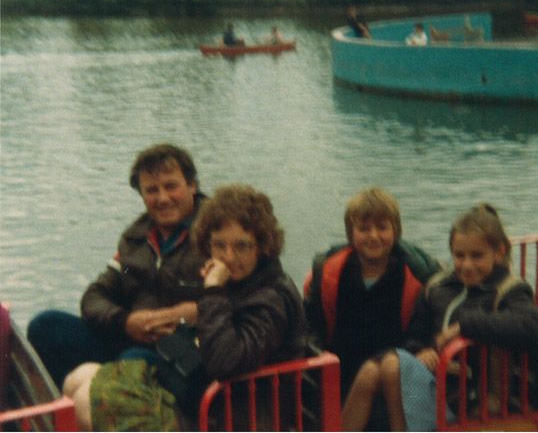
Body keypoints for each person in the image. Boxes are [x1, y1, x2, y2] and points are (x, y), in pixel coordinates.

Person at [62, 184, 307, 430]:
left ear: (263, 246)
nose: (229, 257)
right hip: (210, 397)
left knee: (85, 401)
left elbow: (225, 362)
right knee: (79, 378)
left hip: (239, 417)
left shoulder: (271, 298)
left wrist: (213, 291)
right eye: (219, 245)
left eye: (242, 246)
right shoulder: (243, 282)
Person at [341, 204, 538, 431]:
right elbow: (415, 332)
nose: (467, 265)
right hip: (438, 388)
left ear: (498, 252)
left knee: (392, 366)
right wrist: (422, 350)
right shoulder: (439, 287)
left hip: (473, 400)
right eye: (459, 256)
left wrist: (463, 327)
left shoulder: (508, 291)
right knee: (371, 371)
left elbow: (534, 326)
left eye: (477, 256)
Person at [27, 144, 208, 388]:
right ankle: (75, 413)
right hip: (132, 341)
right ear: (142, 195)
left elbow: (248, 298)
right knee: (45, 326)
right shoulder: (134, 239)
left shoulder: (216, 233)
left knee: (131, 363)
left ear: (192, 185)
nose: (162, 198)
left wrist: (190, 313)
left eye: (171, 186)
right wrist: (126, 322)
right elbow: (94, 297)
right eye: (152, 190)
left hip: (185, 358)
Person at [303, 187, 440, 428]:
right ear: (351, 233)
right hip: (340, 370)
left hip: (395, 375)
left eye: (382, 227)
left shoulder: (417, 275)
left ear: (395, 231)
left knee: (379, 373)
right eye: (364, 229)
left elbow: (426, 324)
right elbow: (313, 326)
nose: (373, 236)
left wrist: (423, 347)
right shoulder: (329, 273)